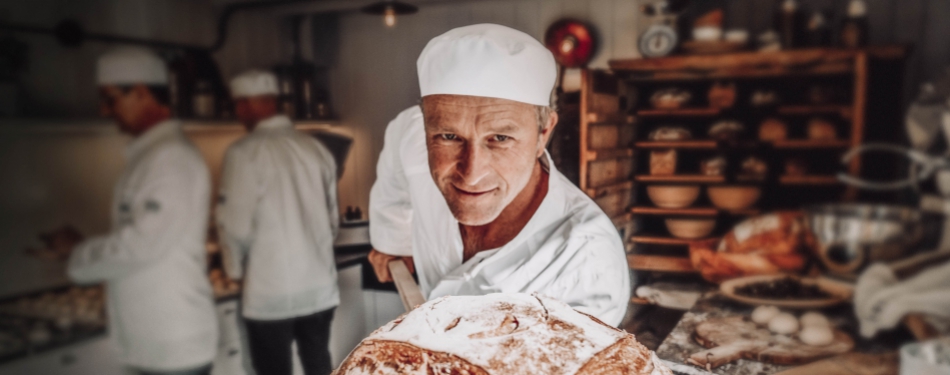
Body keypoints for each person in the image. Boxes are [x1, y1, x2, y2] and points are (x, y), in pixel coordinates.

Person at [367, 24, 631, 326]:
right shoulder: (412, 134)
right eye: (449, 136)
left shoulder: (586, 263)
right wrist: (393, 241)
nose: (472, 174)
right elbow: (395, 176)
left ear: (543, 133)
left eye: (500, 138)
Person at [37, 47, 218, 375]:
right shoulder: (151, 156)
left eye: (111, 99)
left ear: (141, 92)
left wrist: (78, 251)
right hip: (153, 344)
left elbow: (141, 244)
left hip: (173, 347)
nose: (105, 111)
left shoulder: (171, 158)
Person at [216, 70, 340, 375]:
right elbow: (333, 221)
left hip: (271, 293)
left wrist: (233, 270)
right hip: (319, 288)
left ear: (245, 105)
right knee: (318, 364)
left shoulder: (244, 152)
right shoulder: (316, 148)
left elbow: (234, 225)